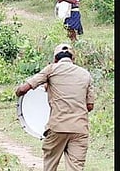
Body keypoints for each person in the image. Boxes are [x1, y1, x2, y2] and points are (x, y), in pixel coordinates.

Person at [15, 43, 95, 171]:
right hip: (80, 129)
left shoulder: (51, 69)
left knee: (50, 166)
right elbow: (90, 106)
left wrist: (18, 92)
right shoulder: (85, 74)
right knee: (76, 168)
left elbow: (23, 89)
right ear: (73, 59)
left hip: (57, 127)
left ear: (55, 59)